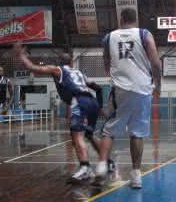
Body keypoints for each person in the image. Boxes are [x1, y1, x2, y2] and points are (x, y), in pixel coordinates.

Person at [14, 43, 114, 181]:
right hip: (92, 102)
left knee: (77, 136)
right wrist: (100, 106)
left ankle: (85, 168)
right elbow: (98, 88)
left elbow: (33, 67)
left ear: (58, 62)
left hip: (79, 101)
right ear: (71, 62)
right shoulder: (79, 73)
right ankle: (108, 162)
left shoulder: (57, 70)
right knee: (89, 135)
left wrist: (21, 56)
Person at [95, 8, 161, 188]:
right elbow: (156, 63)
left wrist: (115, 74)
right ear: (136, 19)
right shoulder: (144, 34)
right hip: (143, 89)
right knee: (137, 133)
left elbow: (106, 63)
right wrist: (158, 86)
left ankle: (101, 167)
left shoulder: (109, 37)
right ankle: (136, 176)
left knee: (109, 130)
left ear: (121, 19)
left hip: (121, 89)